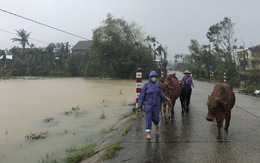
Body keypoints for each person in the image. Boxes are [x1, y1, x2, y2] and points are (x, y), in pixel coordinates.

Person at [138, 70, 170, 140]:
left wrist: (165, 99)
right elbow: (142, 95)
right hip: (148, 105)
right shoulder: (146, 85)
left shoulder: (158, 84)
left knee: (156, 118)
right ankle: (148, 133)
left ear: (156, 77)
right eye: (152, 77)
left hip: (156, 105)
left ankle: (157, 125)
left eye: (155, 76)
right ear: (150, 77)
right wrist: (140, 104)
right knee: (148, 118)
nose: (153, 78)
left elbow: (161, 93)